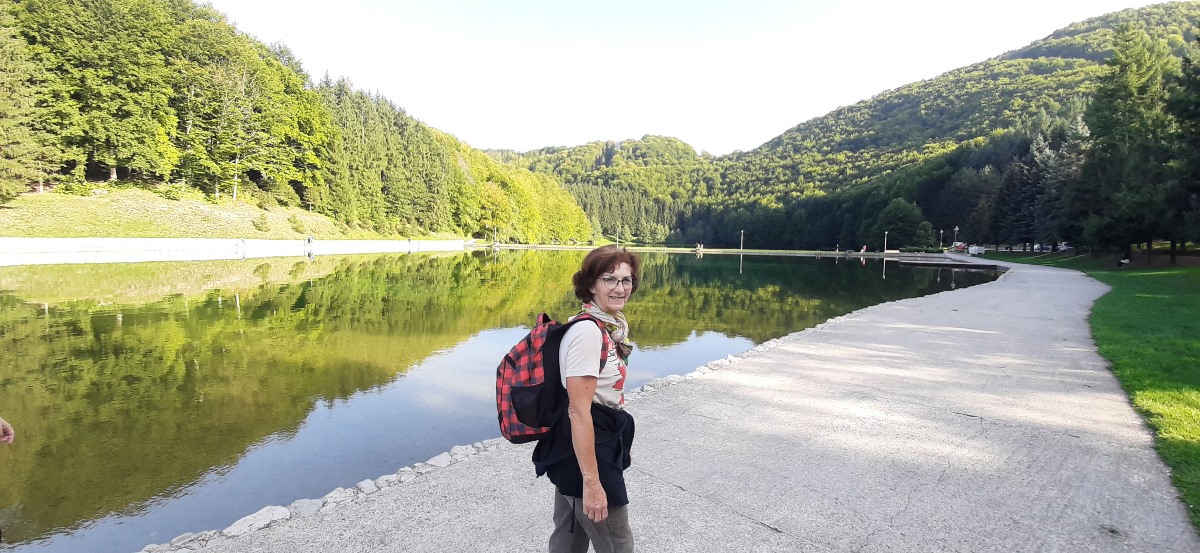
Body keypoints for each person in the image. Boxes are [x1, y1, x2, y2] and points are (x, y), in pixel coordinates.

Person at [534, 245, 639, 553]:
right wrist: (592, 482)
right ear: (592, 285)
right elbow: (579, 411)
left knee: (569, 538)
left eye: (626, 280)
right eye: (609, 279)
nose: (620, 288)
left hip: (583, 447)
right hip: (587, 448)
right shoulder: (588, 333)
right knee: (618, 544)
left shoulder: (605, 327)